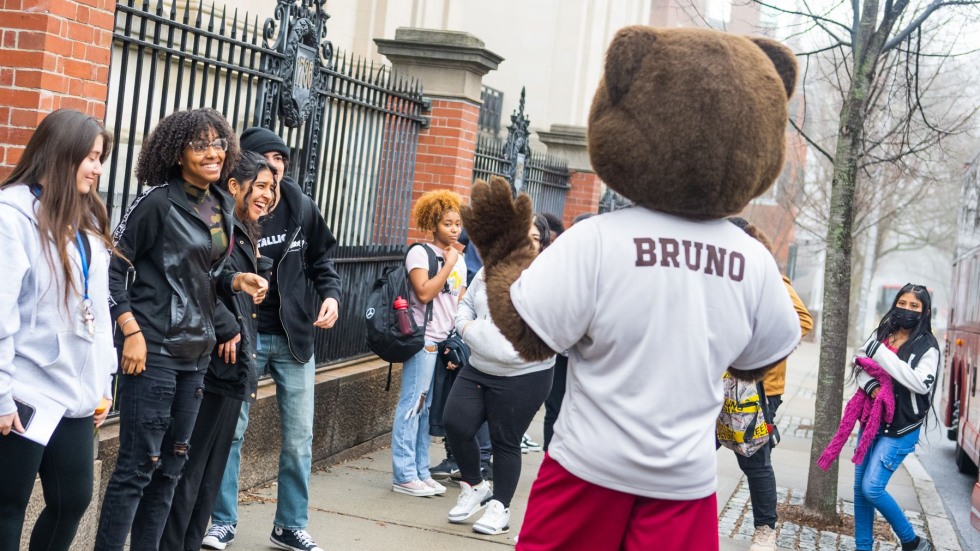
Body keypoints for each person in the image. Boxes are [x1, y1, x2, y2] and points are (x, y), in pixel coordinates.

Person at [95, 108, 268, 551]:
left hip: (196, 354)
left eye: (218, 143)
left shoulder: (219, 205)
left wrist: (234, 280)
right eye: (200, 144)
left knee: (171, 466)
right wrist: (130, 332)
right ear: (176, 153)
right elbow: (114, 272)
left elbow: (202, 275)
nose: (213, 152)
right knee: (138, 466)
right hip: (153, 352)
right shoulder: (155, 203)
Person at [204, 127, 341, 551]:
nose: (276, 167)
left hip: (294, 338)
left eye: (281, 160)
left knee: (299, 438)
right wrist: (227, 322)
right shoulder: (224, 210)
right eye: (267, 159)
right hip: (245, 336)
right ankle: (222, 521)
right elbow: (210, 274)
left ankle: (290, 525)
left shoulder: (300, 205)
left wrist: (332, 296)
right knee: (231, 431)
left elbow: (323, 260)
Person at [0, 109, 116, 551]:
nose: (97, 167)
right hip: (23, 394)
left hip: (75, 394)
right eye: (89, 156)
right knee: (7, 505)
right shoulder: (12, 217)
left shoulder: (85, 223)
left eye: (100, 157)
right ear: (59, 153)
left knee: (73, 500)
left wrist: (102, 382)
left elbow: (98, 314)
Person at [161, 152, 278, 551]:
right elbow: (201, 277)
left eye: (272, 187)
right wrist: (227, 324)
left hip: (235, 367)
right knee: (190, 473)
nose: (268, 194)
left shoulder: (245, 229)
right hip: (211, 363)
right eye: (260, 185)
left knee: (209, 478)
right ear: (234, 186)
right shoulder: (219, 223)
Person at [443, 213, 556, 535]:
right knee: (455, 423)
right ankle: (476, 486)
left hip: (525, 374)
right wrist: (468, 329)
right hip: (479, 366)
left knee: (504, 440)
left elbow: (561, 324)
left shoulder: (550, 278)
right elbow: (464, 306)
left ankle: (500, 508)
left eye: (535, 238)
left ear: (542, 244)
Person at [726, 217, 813, 551]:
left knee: (755, 460)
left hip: (757, 389)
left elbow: (802, 321)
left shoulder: (770, 278)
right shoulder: (722, 278)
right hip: (714, 384)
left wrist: (759, 352)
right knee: (695, 450)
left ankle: (765, 530)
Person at [389, 190, 467, 498]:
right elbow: (423, 292)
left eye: (457, 223)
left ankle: (421, 470)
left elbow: (458, 300)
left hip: (442, 343)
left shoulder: (457, 259)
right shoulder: (420, 253)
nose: (453, 229)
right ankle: (404, 473)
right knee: (412, 406)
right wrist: (447, 265)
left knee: (426, 408)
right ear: (432, 223)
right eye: (447, 223)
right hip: (422, 342)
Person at [852, 283, 938, 551]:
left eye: (914, 306)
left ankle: (911, 541)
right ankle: (862, 547)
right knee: (859, 490)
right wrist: (873, 387)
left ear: (924, 311)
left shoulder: (928, 346)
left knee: (872, 488)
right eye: (903, 303)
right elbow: (860, 362)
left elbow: (919, 383)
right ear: (894, 303)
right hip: (871, 423)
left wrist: (880, 355)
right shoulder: (882, 333)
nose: (907, 310)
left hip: (901, 428)